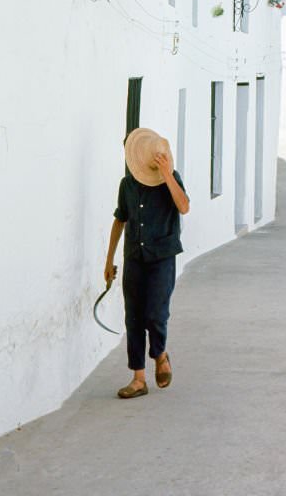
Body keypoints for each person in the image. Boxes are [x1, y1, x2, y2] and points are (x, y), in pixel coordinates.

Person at [104, 127, 190, 399]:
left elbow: (184, 206)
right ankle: (138, 378)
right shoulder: (127, 184)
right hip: (134, 257)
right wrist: (108, 259)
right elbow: (120, 219)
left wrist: (166, 175)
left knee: (155, 313)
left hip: (161, 257)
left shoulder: (171, 179)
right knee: (134, 317)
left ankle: (160, 354)